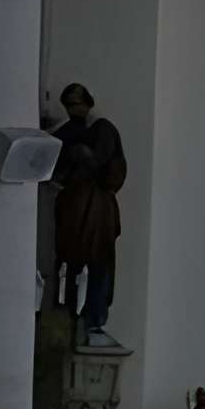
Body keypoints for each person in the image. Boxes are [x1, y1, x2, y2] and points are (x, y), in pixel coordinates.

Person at [50, 82, 128, 348]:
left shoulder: (102, 129)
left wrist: (83, 159)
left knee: (97, 264)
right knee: (70, 263)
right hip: (76, 207)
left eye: (76, 105)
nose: (73, 110)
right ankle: (70, 311)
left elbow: (105, 166)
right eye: (68, 106)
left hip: (96, 210)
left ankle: (94, 318)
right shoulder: (71, 130)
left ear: (88, 102)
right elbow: (55, 156)